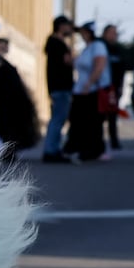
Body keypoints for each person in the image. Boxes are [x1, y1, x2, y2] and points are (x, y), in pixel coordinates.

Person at [64, 21, 111, 162]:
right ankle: (78, 147)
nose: (81, 36)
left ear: (89, 33)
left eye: (83, 33)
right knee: (79, 120)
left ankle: (93, 150)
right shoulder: (86, 49)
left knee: (92, 121)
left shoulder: (98, 46)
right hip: (81, 90)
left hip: (92, 90)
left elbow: (99, 66)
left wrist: (89, 83)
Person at [40, 15, 75, 163]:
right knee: (58, 119)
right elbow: (68, 61)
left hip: (57, 86)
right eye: (67, 26)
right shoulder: (58, 44)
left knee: (57, 119)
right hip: (61, 87)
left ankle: (52, 149)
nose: (69, 29)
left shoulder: (53, 43)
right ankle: (51, 150)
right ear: (61, 26)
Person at [102, 24, 128, 151]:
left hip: (114, 88)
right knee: (99, 115)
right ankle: (97, 141)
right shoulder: (101, 47)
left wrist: (121, 87)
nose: (114, 35)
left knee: (112, 115)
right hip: (101, 87)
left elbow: (122, 71)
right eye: (111, 32)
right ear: (105, 34)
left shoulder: (118, 51)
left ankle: (114, 141)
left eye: (115, 33)